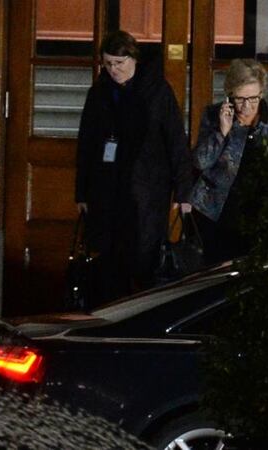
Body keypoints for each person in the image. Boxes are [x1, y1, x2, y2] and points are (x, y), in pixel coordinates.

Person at [75, 30, 192, 304]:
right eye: (108, 64)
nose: (114, 70)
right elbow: (87, 143)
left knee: (145, 255)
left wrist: (183, 191)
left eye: (119, 63)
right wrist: (81, 192)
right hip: (107, 190)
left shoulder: (156, 90)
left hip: (147, 190)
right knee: (108, 258)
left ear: (133, 60)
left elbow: (175, 139)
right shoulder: (100, 93)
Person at [189, 59, 268, 265]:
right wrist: (222, 132)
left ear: (262, 94)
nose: (246, 106)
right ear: (230, 94)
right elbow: (199, 162)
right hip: (219, 209)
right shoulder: (215, 114)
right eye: (240, 98)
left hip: (260, 208)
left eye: (253, 98)